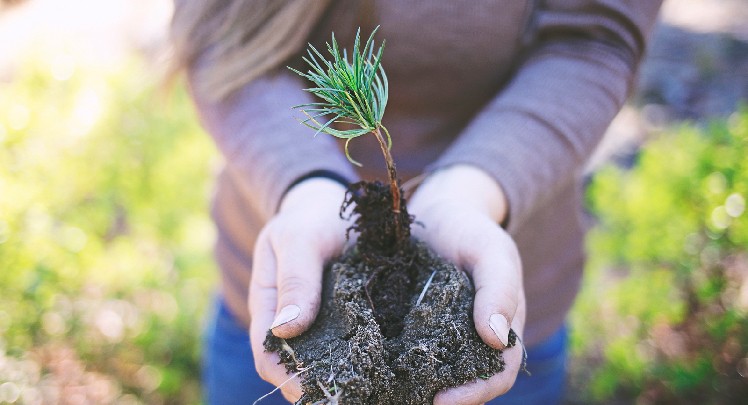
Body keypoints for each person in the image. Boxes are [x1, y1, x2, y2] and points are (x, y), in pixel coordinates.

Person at [170, 1, 662, 403]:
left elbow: (593, 39)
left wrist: (470, 193)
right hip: (272, 286)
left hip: (500, 285)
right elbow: (218, 33)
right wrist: (306, 185)